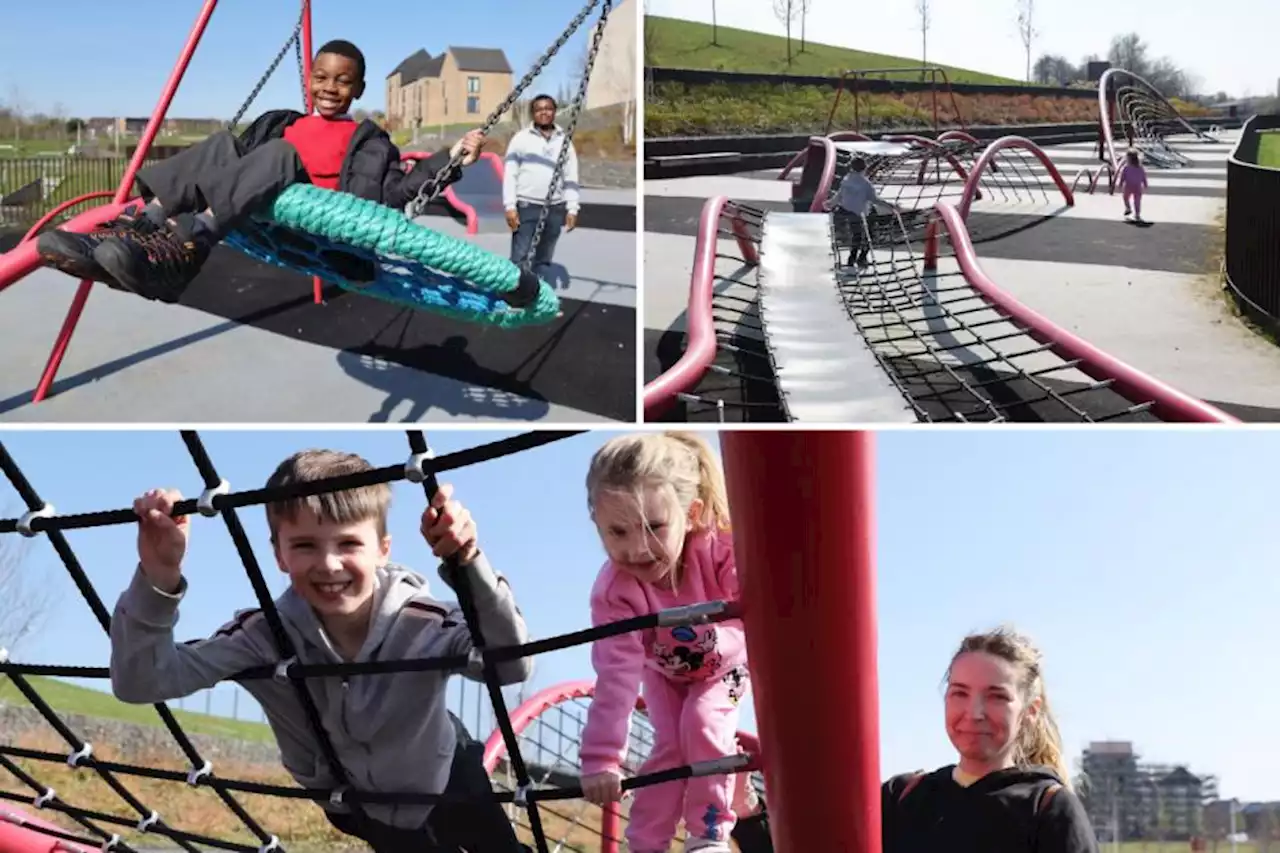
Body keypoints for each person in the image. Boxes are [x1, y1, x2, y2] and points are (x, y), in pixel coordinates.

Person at [108, 449, 533, 853]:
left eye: (349, 544)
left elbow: (510, 664)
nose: (329, 564)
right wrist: (159, 577)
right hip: (358, 805)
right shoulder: (262, 636)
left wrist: (468, 562)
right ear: (278, 555)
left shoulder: (424, 620)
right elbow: (141, 682)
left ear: (383, 550)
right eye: (306, 545)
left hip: (449, 774)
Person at [37, 40, 486, 303]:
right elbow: (231, 165)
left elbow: (395, 195)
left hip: (319, 229)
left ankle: (189, 246)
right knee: (223, 144)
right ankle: (141, 230)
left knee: (279, 156)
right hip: (261, 215)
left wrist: (450, 161)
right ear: (309, 80)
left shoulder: (370, 142)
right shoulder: (282, 121)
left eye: (343, 81)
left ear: (359, 88)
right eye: (321, 77)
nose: (330, 88)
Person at [576, 432, 748, 853]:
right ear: (596, 524)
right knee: (668, 748)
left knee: (703, 724)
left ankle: (708, 835)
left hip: (725, 667)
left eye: (654, 527)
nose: (637, 549)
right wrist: (601, 759)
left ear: (690, 514)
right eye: (617, 532)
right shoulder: (615, 593)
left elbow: (754, 596)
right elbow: (616, 678)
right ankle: (645, 845)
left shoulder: (718, 548)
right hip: (664, 674)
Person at [881, 627, 1098, 853]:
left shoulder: (1049, 809)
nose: (974, 713)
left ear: (1030, 711)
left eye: (997, 696)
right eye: (960, 693)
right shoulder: (901, 798)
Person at [502, 94, 579, 281]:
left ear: (554, 111)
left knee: (544, 257)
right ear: (532, 114)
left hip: (555, 206)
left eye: (548, 108)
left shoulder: (564, 141)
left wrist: (572, 208)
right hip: (527, 205)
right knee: (520, 255)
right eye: (539, 109)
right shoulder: (521, 139)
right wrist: (510, 206)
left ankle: (539, 299)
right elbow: (510, 174)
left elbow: (571, 175)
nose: (544, 112)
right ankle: (515, 299)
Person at [823, 156, 898, 268]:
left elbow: (839, 195)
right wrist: (891, 206)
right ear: (865, 168)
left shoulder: (847, 179)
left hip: (845, 210)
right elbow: (875, 199)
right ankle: (861, 258)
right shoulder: (865, 184)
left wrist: (830, 203)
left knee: (856, 236)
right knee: (869, 236)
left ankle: (852, 259)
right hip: (858, 213)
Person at [1116, 148, 1149, 222]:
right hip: (1137, 187)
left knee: (1125, 197)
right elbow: (1143, 176)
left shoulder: (1126, 168)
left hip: (1128, 186)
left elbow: (1123, 177)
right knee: (1137, 201)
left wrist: (1120, 184)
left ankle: (1128, 208)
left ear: (1128, 159)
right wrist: (1145, 184)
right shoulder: (1140, 168)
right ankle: (1137, 214)